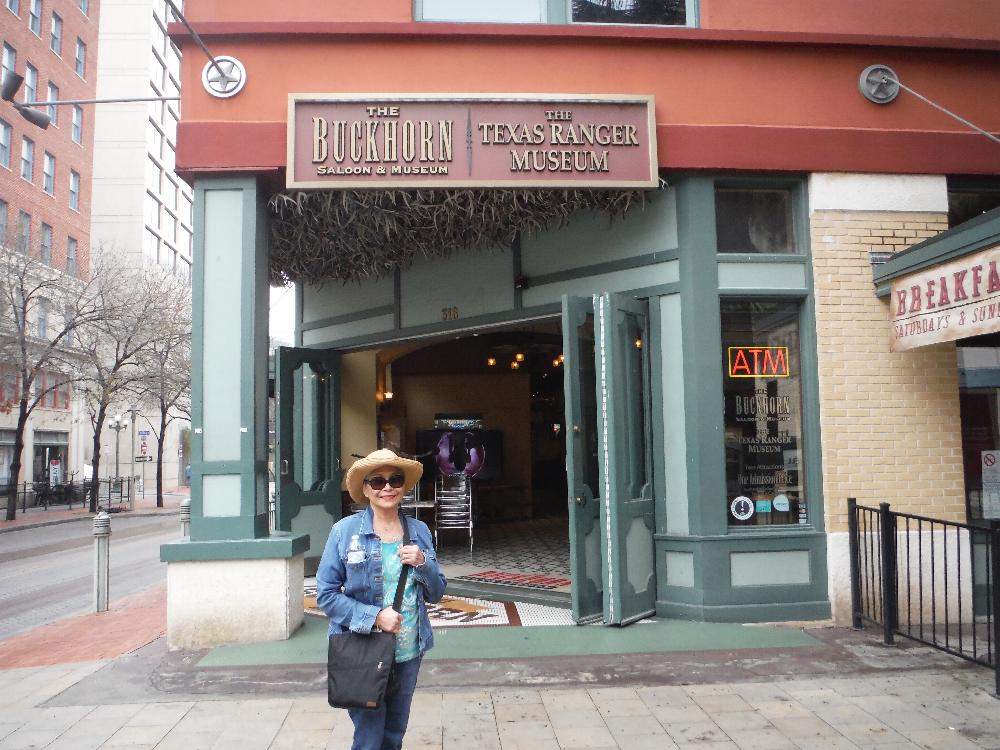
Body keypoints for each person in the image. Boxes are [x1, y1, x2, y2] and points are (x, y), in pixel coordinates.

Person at [316, 449, 447, 750]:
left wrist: (423, 563)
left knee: (393, 735)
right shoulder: (344, 532)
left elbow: (437, 592)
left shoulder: (419, 532)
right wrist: (375, 616)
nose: (387, 487)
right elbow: (326, 595)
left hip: (408, 651)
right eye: (377, 481)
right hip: (362, 652)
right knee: (369, 739)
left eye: (395, 480)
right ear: (365, 489)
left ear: (403, 486)